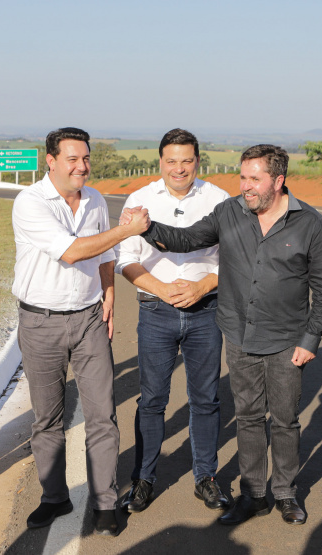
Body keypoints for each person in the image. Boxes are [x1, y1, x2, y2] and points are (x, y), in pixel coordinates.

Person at [130, 144, 322, 526]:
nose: (245, 186)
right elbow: (186, 239)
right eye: (242, 178)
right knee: (248, 417)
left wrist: (310, 340)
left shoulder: (309, 223)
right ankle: (254, 494)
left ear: (278, 180)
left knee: (286, 420)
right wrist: (148, 228)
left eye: (254, 179)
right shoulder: (229, 212)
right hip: (240, 337)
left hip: (287, 342)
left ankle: (286, 493)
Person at [12, 127, 151, 536]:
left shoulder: (93, 199)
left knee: (102, 415)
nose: (82, 166)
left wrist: (109, 293)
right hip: (40, 321)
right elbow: (73, 251)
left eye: (86, 158)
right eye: (73, 159)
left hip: (89, 317)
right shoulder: (30, 202)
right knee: (48, 419)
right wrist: (128, 230)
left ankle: (106, 502)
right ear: (50, 160)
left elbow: (104, 253)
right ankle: (54, 497)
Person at [115, 129, 230, 514]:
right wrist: (162, 290)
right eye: (171, 161)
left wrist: (202, 287)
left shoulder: (220, 201)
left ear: (198, 161)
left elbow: (235, 260)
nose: (179, 168)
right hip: (155, 313)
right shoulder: (140, 201)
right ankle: (143, 480)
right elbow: (125, 259)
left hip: (206, 312)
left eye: (186, 160)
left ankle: (206, 478)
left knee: (206, 400)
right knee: (151, 401)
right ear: (159, 162)